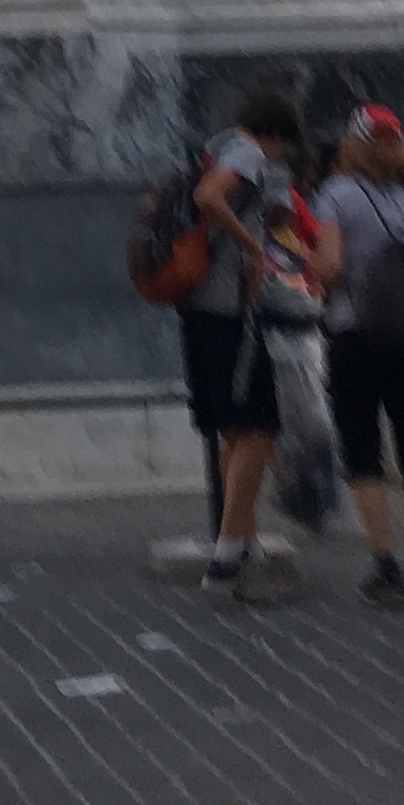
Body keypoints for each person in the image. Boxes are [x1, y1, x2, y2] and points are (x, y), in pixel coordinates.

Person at [311, 107, 404, 609]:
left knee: (362, 453)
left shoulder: (335, 195)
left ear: (353, 146)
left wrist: (318, 274)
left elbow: (329, 266)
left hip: (356, 336)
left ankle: (387, 566)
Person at [174, 89, 308, 604]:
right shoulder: (247, 155)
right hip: (230, 308)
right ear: (276, 135)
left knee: (235, 431)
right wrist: (253, 248)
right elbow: (209, 197)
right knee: (258, 428)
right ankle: (227, 555)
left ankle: (242, 544)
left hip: (201, 304)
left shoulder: (216, 144)